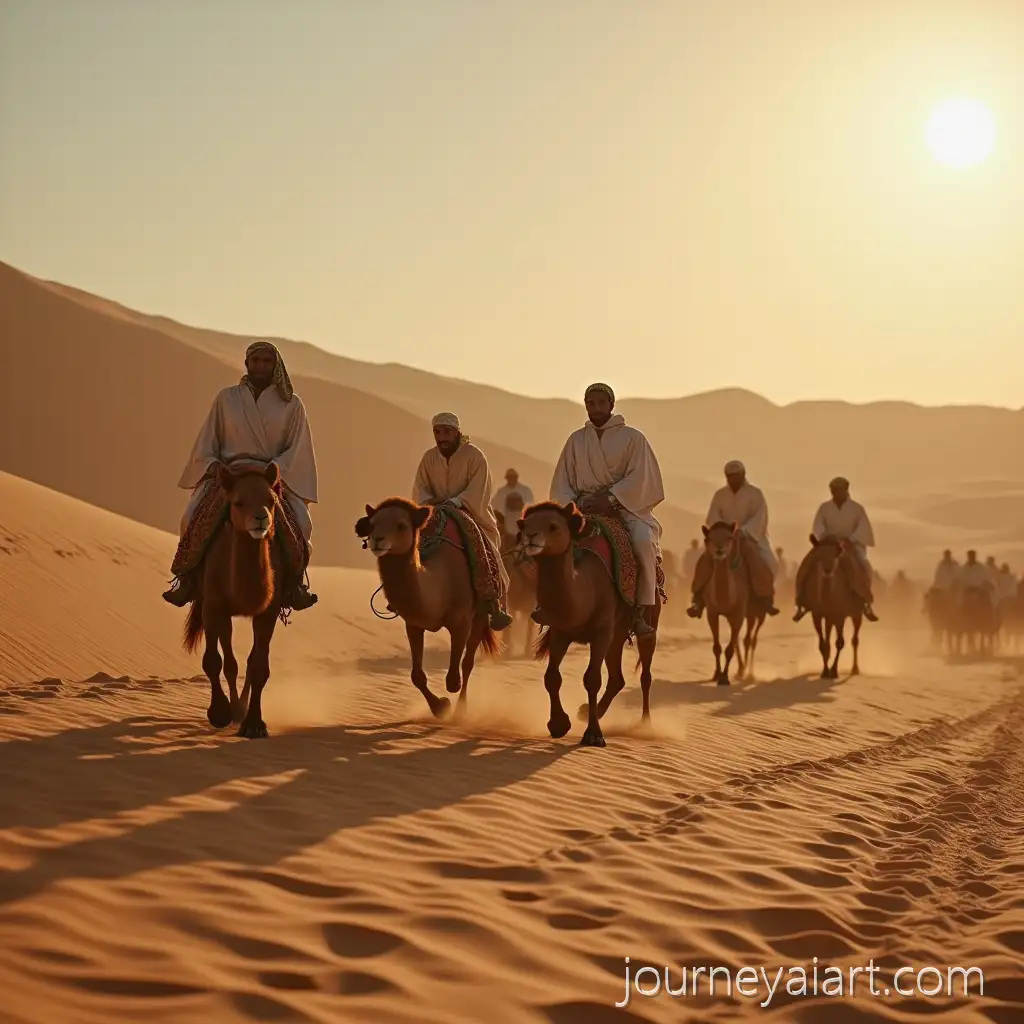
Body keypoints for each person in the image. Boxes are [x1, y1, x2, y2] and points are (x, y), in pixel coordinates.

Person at [163, 341, 318, 610]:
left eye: (266, 361)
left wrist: (275, 469)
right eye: (255, 360)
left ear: (275, 365)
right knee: (190, 516)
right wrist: (213, 465)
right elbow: (209, 439)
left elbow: (297, 448)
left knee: (302, 524)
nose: (260, 366)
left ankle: (295, 585)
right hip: (231, 475)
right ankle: (186, 579)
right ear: (246, 363)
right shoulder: (226, 399)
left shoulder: (292, 405)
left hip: (272, 476)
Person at [547, 382, 665, 636]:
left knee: (643, 542)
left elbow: (642, 477)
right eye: (591, 403)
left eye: (601, 402)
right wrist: (576, 505)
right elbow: (562, 482)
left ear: (611, 404)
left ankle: (641, 610)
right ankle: (549, 605)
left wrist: (611, 498)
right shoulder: (576, 440)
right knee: (551, 544)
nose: (596, 408)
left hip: (626, 508)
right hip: (583, 508)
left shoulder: (633, 438)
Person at [412, 412, 513, 630]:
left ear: (458, 432)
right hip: (435, 514)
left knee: (485, 551)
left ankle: (494, 603)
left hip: (472, 514)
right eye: (437, 432)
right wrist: (429, 504)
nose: (442, 437)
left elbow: (479, 491)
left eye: (447, 432)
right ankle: (404, 595)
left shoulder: (475, 456)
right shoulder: (429, 458)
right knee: (410, 545)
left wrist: (454, 502)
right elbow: (420, 488)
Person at [687, 461, 779, 618]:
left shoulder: (755, 494)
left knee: (768, 561)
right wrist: (724, 531)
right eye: (730, 476)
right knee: (703, 562)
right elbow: (713, 516)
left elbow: (760, 517)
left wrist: (743, 531)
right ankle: (698, 599)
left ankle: (766, 598)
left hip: (748, 537)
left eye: (736, 476)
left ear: (743, 475)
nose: (732, 479)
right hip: (724, 538)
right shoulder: (720, 495)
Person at [793, 476, 878, 622]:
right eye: (833, 490)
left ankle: (866, 603)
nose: (835, 493)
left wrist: (851, 539)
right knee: (806, 564)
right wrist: (824, 538)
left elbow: (862, 528)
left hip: (850, 545)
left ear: (846, 490)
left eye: (838, 490)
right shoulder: (824, 508)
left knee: (864, 566)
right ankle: (801, 601)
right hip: (827, 544)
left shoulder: (857, 509)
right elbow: (818, 526)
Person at [492, 469, 534, 535]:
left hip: (522, 521)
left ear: (516, 477)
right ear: (507, 478)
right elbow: (495, 506)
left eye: (513, 477)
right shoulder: (501, 492)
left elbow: (530, 505)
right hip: (507, 522)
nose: (511, 479)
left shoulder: (525, 490)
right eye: (510, 477)